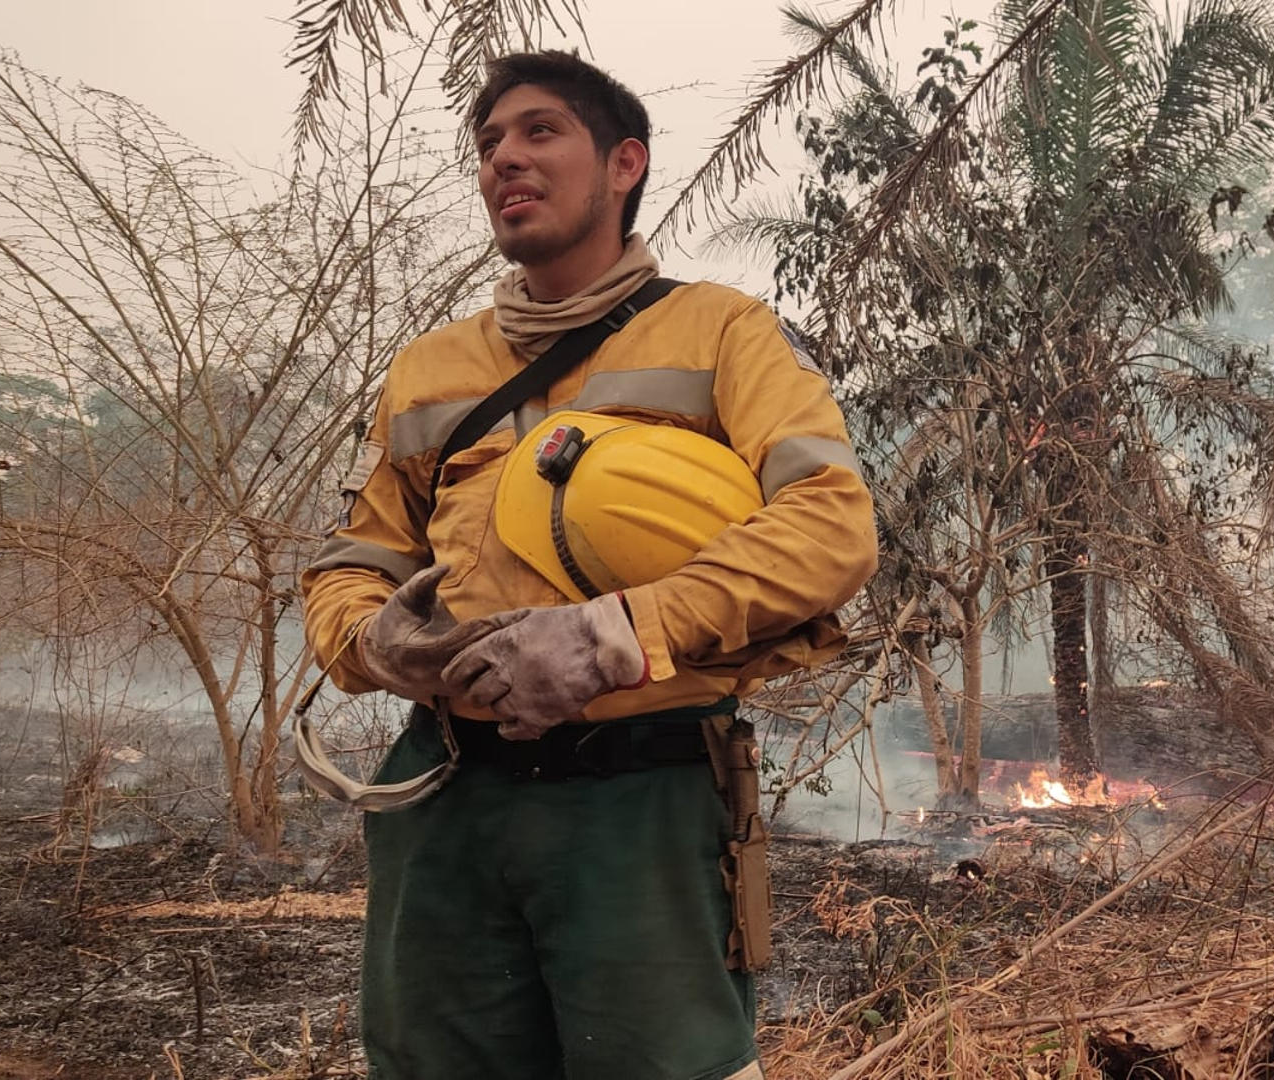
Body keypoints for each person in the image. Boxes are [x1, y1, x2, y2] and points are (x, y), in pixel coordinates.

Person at [299, 49, 878, 1080]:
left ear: (624, 163)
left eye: (538, 131)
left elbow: (832, 524)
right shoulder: (429, 369)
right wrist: (378, 644)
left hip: (639, 796)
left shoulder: (723, 333)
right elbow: (353, 565)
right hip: (443, 798)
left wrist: (617, 634)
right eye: (486, 145)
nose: (503, 161)